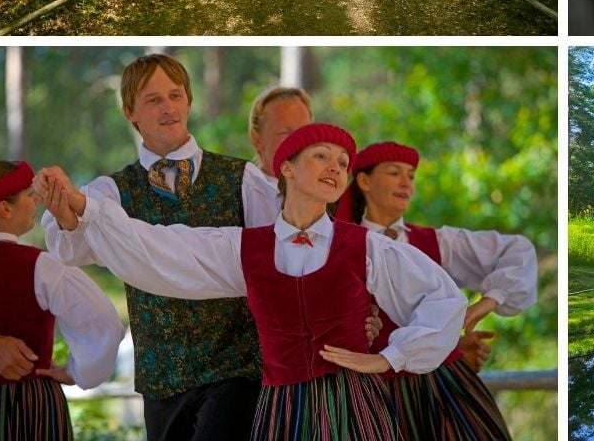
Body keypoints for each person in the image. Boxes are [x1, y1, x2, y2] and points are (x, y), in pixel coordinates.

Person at [37, 123, 466, 441]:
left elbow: (443, 299)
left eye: (342, 163)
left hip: (351, 406)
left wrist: (391, 356)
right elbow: (157, 250)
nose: (335, 167)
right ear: (288, 169)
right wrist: (86, 207)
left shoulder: (366, 246)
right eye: (321, 156)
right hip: (280, 409)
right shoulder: (244, 248)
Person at [40, 53, 263, 441]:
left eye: (176, 96)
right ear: (130, 111)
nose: (169, 108)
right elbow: (71, 250)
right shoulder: (110, 192)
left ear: (189, 102)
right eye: (154, 100)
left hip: (237, 369)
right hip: (162, 376)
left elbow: (276, 259)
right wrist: (66, 215)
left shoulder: (243, 178)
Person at [335, 141, 538, 441]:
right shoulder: (339, 243)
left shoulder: (436, 241)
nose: (406, 182)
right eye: (393, 173)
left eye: (411, 175)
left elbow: (517, 253)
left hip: (442, 388)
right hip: (371, 391)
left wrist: (485, 304)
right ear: (364, 181)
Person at [0, 159, 123, 441]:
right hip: (28, 405)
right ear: (4, 208)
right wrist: (78, 371)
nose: (36, 200)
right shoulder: (40, 266)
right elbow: (104, 323)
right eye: (28, 194)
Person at [244, 86, 315, 228]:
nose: (299, 141)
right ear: (257, 139)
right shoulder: (243, 195)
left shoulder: (326, 193)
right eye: (285, 133)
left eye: (305, 131)